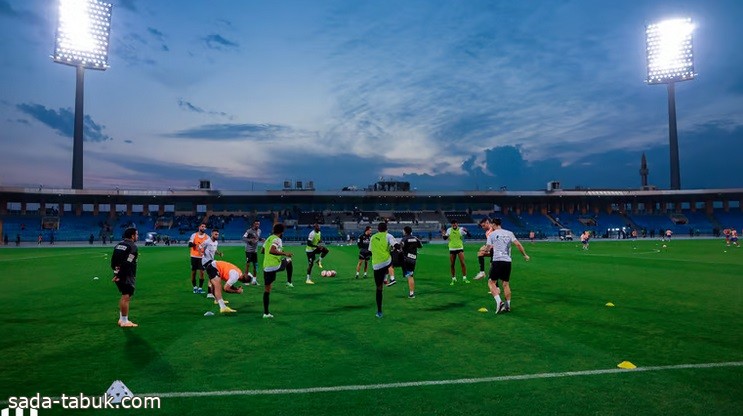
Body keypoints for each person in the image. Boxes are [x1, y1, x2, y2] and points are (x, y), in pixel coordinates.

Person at [484, 218, 530, 314]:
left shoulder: (491, 234)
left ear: (493, 224)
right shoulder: (509, 233)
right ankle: (508, 305)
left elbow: (488, 248)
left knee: (491, 282)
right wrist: (525, 255)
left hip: (497, 261)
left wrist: (484, 251)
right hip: (507, 261)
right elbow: (518, 244)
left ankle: (499, 302)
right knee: (505, 283)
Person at [261, 223, 294, 318]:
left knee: (267, 290)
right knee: (289, 260)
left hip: (266, 267)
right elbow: (272, 250)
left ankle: (266, 313)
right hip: (275, 265)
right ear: (282, 232)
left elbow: (263, 251)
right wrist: (284, 253)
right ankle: (289, 282)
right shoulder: (277, 239)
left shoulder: (269, 238)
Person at [111, 228, 139, 327]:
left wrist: (116, 273)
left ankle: (121, 319)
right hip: (126, 275)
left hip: (117, 272)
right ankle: (124, 321)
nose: (137, 236)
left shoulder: (119, 245)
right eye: (136, 234)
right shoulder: (133, 247)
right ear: (132, 236)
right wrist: (119, 275)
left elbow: (113, 261)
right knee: (126, 296)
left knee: (124, 295)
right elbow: (128, 262)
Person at [370, 222, 397, 318]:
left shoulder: (372, 237)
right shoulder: (388, 235)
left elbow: (370, 250)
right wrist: (398, 248)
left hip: (376, 265)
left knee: (379, 288)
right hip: (386, 262)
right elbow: (396, 245)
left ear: (378, 229)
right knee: (393, 258)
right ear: (386, 229)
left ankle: (379, 311)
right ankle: (392, 277)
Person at [442, 219, 469, 285]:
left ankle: (464, 278)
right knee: (452, 264)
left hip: (459, 247)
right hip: (452, 248)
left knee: (462, 263)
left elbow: (469, 235)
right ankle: (453, 278)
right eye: (452, 223)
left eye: (455, 223)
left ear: (457, 224)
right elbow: (445, 238)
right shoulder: (449, 230)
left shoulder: (461, 229)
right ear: (451, 224)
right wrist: (443, 233)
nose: (454, 224)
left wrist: (467, 231)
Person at [199, 228, 223, 299]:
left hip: (211, 261)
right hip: (206, 261)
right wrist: (202, 254)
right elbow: (200, 247)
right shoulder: (207, 241)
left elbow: (214, 250)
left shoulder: (216, 242)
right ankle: (210, 293)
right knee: (213, 276)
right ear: (212, 234)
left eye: (218, 234)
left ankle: (211, 292)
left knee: (212, 276)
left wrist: (219, 253)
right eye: (215, 234)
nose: (217, 236)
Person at [399, 226, 422, 298]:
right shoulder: (415, 238)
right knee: (410, 276)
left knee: (408, 275)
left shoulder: (404, 239)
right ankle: (411, 293)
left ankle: (391, 278)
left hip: (406, 259)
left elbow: (400, 248)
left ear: (405, 231)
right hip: (413, 259)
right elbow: (421, 246)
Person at [188, 223, 209, 294]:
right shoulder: (194, 235)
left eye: (204, 227)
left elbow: (209, 246)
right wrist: (196, 245)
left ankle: (200, 288)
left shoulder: (207, 237)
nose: (203, 228)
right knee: (193, 273)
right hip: (194, 256)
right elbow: (189, 244)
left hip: (202, 257)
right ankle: (194, 287)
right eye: (202, 226)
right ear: (199, 227)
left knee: (202, 273)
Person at [242, 220, 262, 285]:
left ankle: (254, 280)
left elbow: (257, 238)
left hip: (255, 251)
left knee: (255, 265)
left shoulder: (259, 231)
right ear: (253, 224)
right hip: (248, 250)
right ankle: (245, 280)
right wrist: (250, 240)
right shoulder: (249, 231)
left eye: (258, 224)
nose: (257, 225)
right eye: (256, 224)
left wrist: (261, 239)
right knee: (248, 265)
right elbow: (244, 238)